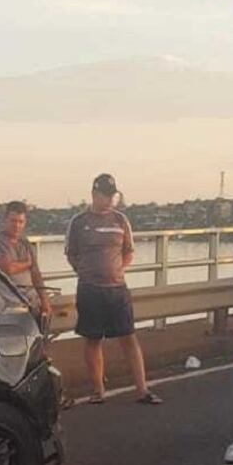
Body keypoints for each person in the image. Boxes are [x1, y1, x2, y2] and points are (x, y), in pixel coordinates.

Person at [65, 173, 162, 405]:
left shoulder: (121, 220)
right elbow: (71, 253)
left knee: (129, 338)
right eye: (104, 195)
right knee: (93, 339)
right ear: (94, 194)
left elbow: (129, 251)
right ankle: (98, 390)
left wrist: (118, 268)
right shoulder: (78, 222)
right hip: (90, 289)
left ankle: (142, 390)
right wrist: (86, 272)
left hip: (117, 289)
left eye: (112, 196)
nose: (108, 200)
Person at [0, 201, 52, 319]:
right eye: (13, 221)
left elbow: (36, 274)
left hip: (33, 301)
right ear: (5, 220)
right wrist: (27, 263)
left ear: (25, 223)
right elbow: (7, 268)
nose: (16, 225)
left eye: (20, 222)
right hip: (11, 303)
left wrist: (45, 300)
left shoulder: (25, 242)